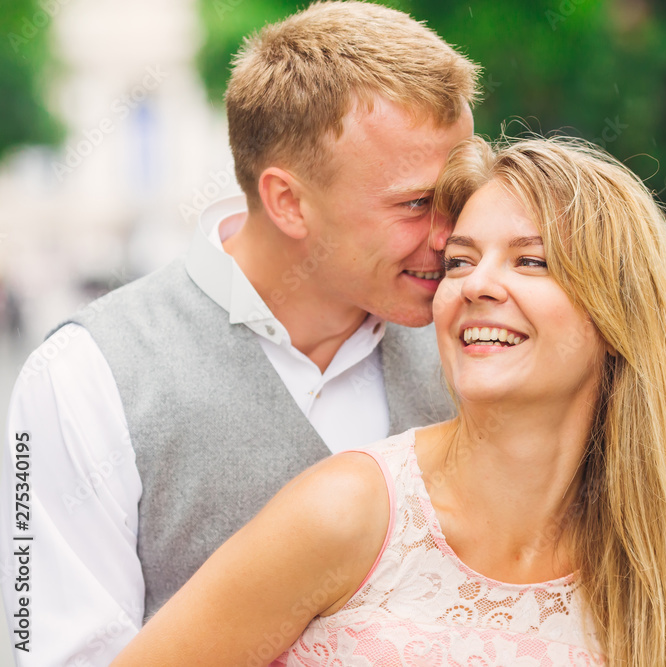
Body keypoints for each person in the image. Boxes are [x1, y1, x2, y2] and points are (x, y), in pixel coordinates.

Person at [109, 136, 666, 666]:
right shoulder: (349, 511)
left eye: (530, 262)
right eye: (458, 262)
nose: (476, 284)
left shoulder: (664, 567)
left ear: (620, 316)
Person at [0, 3, 479, 664]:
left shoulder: (477, 349)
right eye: (415, 203)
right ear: (287, 200)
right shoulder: (82, 375)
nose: (449, 233)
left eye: (456, 194)